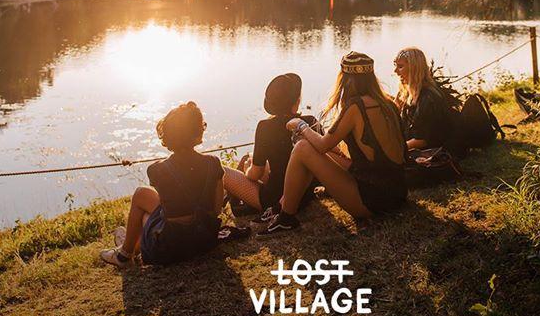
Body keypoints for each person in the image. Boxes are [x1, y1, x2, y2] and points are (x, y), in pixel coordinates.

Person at [260, 51, 407, 235]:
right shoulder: (388, 103)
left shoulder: (356, 106)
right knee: (312, 147)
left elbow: (323, 145)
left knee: (302, 147)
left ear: (346, 80)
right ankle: (283, 206)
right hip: (398, 192)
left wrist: (301, 125)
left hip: (373, 201)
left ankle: (286, 217)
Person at [100, 101, 224, 267]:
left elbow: (171, 204)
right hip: (205, 241)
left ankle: (124, 254)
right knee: (148, 200)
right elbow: (216, 209)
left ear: (168, 135)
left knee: (142, 202)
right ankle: (128, 247)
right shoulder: (213, 163)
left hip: (170, 248)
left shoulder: (157, 170)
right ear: (198, 132)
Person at [222, 73, 322, 220]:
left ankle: (238, 206)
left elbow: (255, 174)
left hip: (276, 198)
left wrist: (247, 170)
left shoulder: (265, 127)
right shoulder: (310, 121)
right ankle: (240, 204)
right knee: (250, 158)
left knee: (223, 171)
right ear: (296, 101)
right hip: (306, 195)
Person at [393, 47, 457, 152]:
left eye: (400, 67)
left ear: (414, 68)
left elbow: (422, 141)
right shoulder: (408, 93)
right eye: (395, 66)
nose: (395, 71)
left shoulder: (428, 97)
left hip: (431, 151)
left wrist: (395, 150)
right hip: (412, 145)